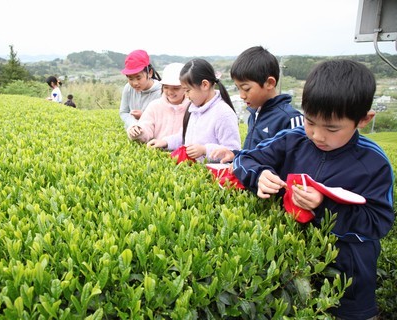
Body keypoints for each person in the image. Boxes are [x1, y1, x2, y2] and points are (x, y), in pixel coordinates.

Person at [232, 59, 395, 319]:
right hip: (292, 268)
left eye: (332, 128)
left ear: (364, 120)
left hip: (349, 279)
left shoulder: (373, 163)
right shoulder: (293, 139)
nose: (318, 135)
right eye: (310, 122)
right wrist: (260, 175)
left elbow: (379, 222)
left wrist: (324, 206)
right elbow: (244, 159)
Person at [211, 46, 303, 162]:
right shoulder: (254, 115)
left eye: (246, 89)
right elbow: (254, 156)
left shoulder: (290, 119)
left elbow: (298, 166)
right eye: (238, 88)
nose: (242, 95)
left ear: (269, 83)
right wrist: (234, 155)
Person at [148, 58, 241, 163]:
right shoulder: (194, 108)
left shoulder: (223, 114)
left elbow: (233, 151)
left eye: (188, 90)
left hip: (211, 175)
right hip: (193, 171)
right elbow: (183, 136)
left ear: (205, 85)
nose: (186, 96)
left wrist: (205, 150)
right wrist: (164, 142)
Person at [127, 63, 190, 143]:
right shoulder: (154, 106)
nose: (170, 92)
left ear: (186, 87)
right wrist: (138, 131)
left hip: (182, 153)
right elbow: (146, 125)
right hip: (158, 151)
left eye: (176, 88)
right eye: (166, 87)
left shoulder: (192, 108)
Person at [119, 49, 162, 129]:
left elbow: (165, 119)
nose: (135, 83)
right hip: (133, 129)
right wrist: (133, 124)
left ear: (150, 73)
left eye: (138, 78)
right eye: (130, 79)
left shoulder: (161, 92)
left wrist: (144, 116)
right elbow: (124, 112)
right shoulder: (128, 88)